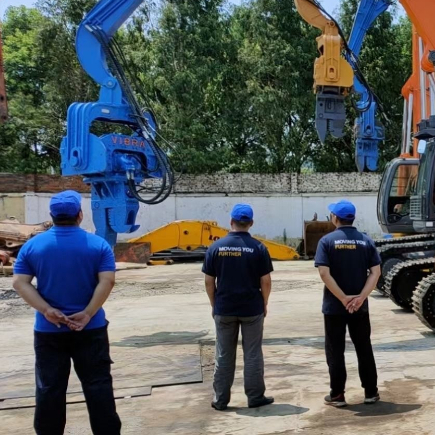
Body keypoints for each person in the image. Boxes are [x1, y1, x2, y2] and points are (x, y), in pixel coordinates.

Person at [13, 190, 121, 435]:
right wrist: (88, 313)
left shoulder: (33, 246)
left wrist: (47, 310)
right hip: (90, 329)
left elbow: (20, 283)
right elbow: (107, 281)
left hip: (49, 330)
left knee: (50, 389)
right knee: (98, 386)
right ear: (79, 215)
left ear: (51, 216)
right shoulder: (98, 245)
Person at [202, 203, 274, 411]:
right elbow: (266, 281)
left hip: (224, 308)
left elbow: (209, 281)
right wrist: (264, 302)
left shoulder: (216, 247)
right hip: (252, 309)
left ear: (231, 221)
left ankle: (220, 400)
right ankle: (255, 397)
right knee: (252, 354)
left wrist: (214, 304)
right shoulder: (258, 248)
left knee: (224, 354)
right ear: (251, 223)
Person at [314, 200, 381, 408]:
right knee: (363, 347)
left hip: (335, 306)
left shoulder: (326, 241)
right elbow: (375, 272)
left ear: (335, 218)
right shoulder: (365, 241)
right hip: (359, 306)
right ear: (353, 218)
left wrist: (343, 298)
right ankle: (370, 392)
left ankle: (337, 395)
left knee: (335, 349)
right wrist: (360, 297)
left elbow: (324, 273)